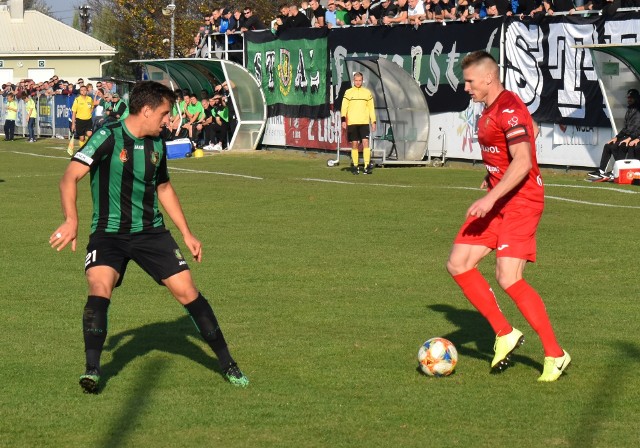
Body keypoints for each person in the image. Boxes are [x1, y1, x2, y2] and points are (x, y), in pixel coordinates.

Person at [48, 81, 249, 393]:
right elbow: (69, 177)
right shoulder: (108, 135)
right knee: (100, 286)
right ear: (145, 110)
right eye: (165, 113)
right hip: (109, 234)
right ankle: (93, 368)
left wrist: (187, 233)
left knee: (187, 291)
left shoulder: (157, 144)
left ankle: (228, 363)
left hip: (150, 233)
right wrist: (71, 219)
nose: (168, 120)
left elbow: (164, 187)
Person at [446, 51, 569, 382]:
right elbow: (528, 137)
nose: (466, 87)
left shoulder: (509, 108)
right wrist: (493, 176)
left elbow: (524, 161)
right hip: (500, 198)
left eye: (470, 81)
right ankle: (504, 332)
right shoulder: (490, 109)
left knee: (508, 277)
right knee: (458, 262)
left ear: (488, 78)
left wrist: (491, 195)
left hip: (521, 202)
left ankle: (555, 354)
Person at [588, 88, 640, 180]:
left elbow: (635, 128)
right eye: (628, 97)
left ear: (636, 98)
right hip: (629, 136)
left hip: (634, 136)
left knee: (621, 145)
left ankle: (615, 172)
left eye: (631, 98)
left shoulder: (638, 110)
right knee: (608, 145)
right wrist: (616, 137)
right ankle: (601, 171)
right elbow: (626, 128)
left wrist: (629, 139)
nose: (629, 99)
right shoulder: (630, 109)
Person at [340, 72, 377, 175]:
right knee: (355, 144)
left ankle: (366, 166)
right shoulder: (348, 92)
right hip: (352, 122)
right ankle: (355, 166)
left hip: (364, 122)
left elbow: (371, 108)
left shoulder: (367, 93)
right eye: (356, 80)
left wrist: (373, 121)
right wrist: (343, 120)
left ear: (362, 80)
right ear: (353, 80)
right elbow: (344, 107)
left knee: (365, 143)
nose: (358, 82)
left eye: (359, 80)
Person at [70, 84, 95, 153]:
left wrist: (90, 112)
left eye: (85, 90)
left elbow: (92, 106)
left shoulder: (90, 99)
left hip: (88, 120)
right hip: (80, 121)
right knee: (82, 138)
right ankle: (83, 150)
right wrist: (73, 124)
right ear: (80, 92)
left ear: (87, 91)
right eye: (82, 90)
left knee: (90, 134)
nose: (83, 91)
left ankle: (88, 148)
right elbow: (74, 112)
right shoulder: (77, 100)